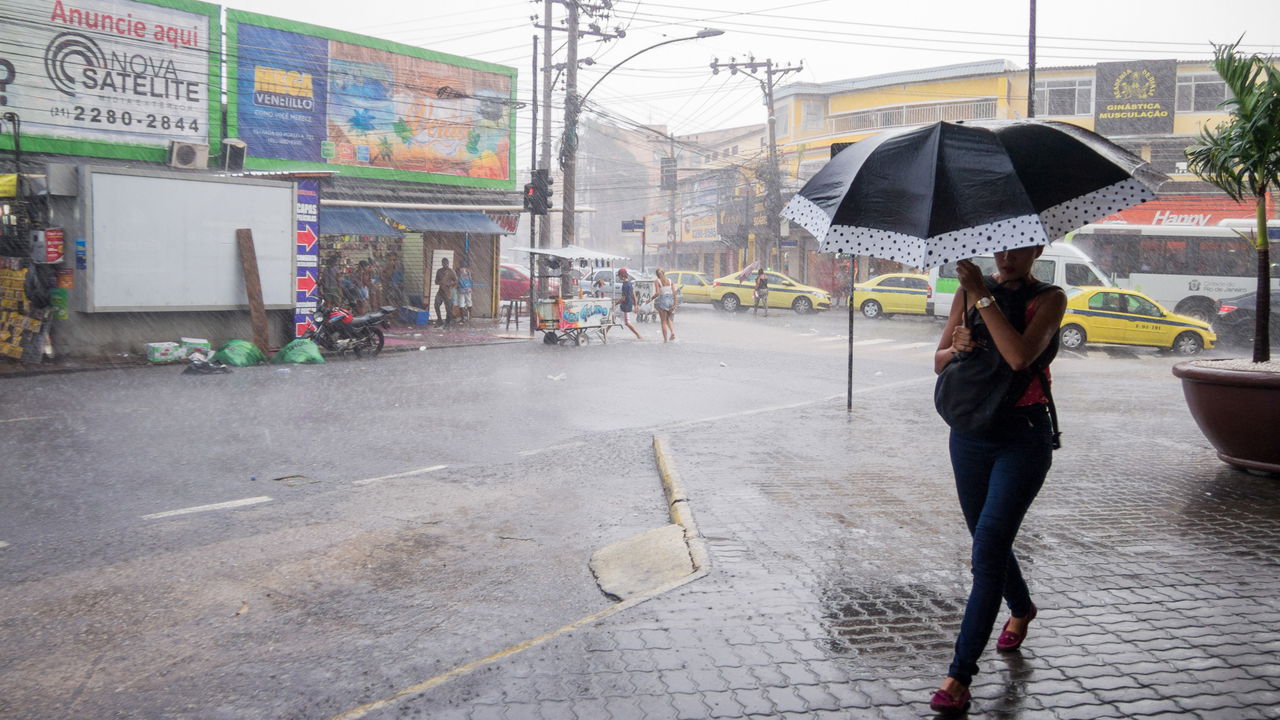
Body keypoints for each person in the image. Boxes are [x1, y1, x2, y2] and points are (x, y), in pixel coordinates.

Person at [929, 245, 1068, 715]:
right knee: (989, 542)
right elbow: (938, 359)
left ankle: (959, 676)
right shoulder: (970, 294)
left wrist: (979, 296)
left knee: (986, 549)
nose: (1007, 257)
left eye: (1019, 249)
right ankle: (1023, 608)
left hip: (1023, 438)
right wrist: (957, 348)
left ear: (1037, 249)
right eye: (1001, 248)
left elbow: (1017, 357)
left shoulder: (1049, 298)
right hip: (969, 432)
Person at [649, 268, 678, 342]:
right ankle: (672, 333)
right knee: (668, 319)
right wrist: (675, 304)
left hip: (663, 300)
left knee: (663, 322)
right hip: (670, 300)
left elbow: (658, 293)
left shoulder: (657, 281)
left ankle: (665, 340)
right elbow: (674, 293)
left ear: (657, 275)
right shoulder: (670, 281)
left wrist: (650, 299)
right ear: (664, 273)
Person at [613, 268, 643, 340]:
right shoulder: (629, 283)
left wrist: (615, 303)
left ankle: (639, 335)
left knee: (627, 323)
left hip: (625, 306)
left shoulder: (625, 285)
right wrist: (636, 305)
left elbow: (623, 298)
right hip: (623, 305)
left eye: (619, 275)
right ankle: (605, 332)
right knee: (612, 317)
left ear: (622, 275)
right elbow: (633, 294)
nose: (618, 277)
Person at [434, 257, 458, 328]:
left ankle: (448, 322)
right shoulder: (439, 271)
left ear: (448, 263)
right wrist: (439, 282)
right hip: (440, 291)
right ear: (442, 263)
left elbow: (456, 281)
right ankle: (439, 320)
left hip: (448, 291)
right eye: (444, 263)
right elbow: (436, 281)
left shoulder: (451, 271)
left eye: (446, 263)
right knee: (436, 304)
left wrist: (450, 284)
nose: (445, 265)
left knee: (448, 308)